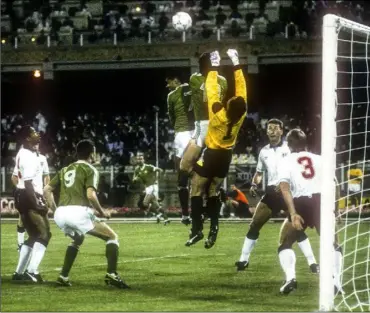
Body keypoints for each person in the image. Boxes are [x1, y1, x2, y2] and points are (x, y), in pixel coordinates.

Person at [43, 139, 129, 289]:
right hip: (77, 212)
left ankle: (63, 276)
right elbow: (90, 195)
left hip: (60, 214)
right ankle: (112, 274)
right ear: (92, 153)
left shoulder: (65, 169)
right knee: (112, 237)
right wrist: (103, 212)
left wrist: (55, 209)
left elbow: (46, 190)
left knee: (78, 239)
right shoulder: (90, 169)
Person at [235, 119, 318, 273]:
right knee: (254, 224)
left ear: (281, 131)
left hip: (288, 192)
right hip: (272, 192)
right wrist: (254, 184)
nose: (272, 131)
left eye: (275, 128)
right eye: (269, 128)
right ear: (266, 132)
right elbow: (259, 174)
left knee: (297, 228)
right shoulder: (263, 152)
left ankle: (313, 263)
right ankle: (243, 259)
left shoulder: (289, 148)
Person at [186, 49, 247, 249]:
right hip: (226, 157)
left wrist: (213, 65)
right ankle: (214, 227)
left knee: (196, 187)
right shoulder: (241, 117)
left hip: (211, 155)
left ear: (227, 106)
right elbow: (242, 90)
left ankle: (196, 228)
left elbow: (211, 87)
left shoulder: (218, 114)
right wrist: (236, 63)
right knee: (213, 190)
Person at [277, 128, 343, 294]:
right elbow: (335, 183)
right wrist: (337, 209)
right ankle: (336, 282)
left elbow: (284, 188)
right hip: (323, 202)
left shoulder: (285, 161)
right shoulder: (320, 159)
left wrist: (293, 213)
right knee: (333, 244)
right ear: (305, 143)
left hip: (302, 202)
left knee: (285, 242)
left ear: (288, 144)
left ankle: (291, 278)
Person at [12, 126, 51, 283]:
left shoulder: (23, 153)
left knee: (35, 235)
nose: (38, 135)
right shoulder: (28, 156)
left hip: (25, 195)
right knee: (44, 234)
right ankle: (32, 271)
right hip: (29, 196)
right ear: (27, 138)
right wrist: (36, 203)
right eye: (34, 133)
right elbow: (28, 183)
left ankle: (19, 273)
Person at [180, 52, 228, 174]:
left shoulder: (196, 79)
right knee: (188, 166)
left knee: (185, 165)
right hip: (209, 125)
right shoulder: (220, 81)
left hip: (209, 124)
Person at [166, 75, 194, 225]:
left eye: (168, 82)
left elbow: (171, 116)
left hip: (182, 134)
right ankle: (202, 211)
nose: (167, 86)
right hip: (198, 132)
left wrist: (178, 127)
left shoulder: (171, 96)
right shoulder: (193, 88)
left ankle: (185, 214)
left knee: (182, 176)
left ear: (175, 80)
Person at [12, 144, 50, 251]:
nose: (36, 145)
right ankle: (20, 243)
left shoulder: (42, 159)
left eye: (38, 144)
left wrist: (45, 190)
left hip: (39, 194)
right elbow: (14, 177)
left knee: (43, 225)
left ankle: (28, 245)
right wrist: (21, 189)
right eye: (34, 143)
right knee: (23, 220)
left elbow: (46, 175)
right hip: (27, 193)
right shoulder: (25, 158)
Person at [132, 152, 168, 224]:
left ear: (144, 160)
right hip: (147, 188)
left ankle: (159, 215)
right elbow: (133, 180)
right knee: (154, 204)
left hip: (153, 187)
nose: (140, 160)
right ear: (137, 160)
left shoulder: (148, 167)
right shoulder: (137, 170)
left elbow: (159, 170)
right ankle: (164, 217)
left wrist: (158, 178)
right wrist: (135, 179)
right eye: (138, 159)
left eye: (141, 159)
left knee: (145, 203)